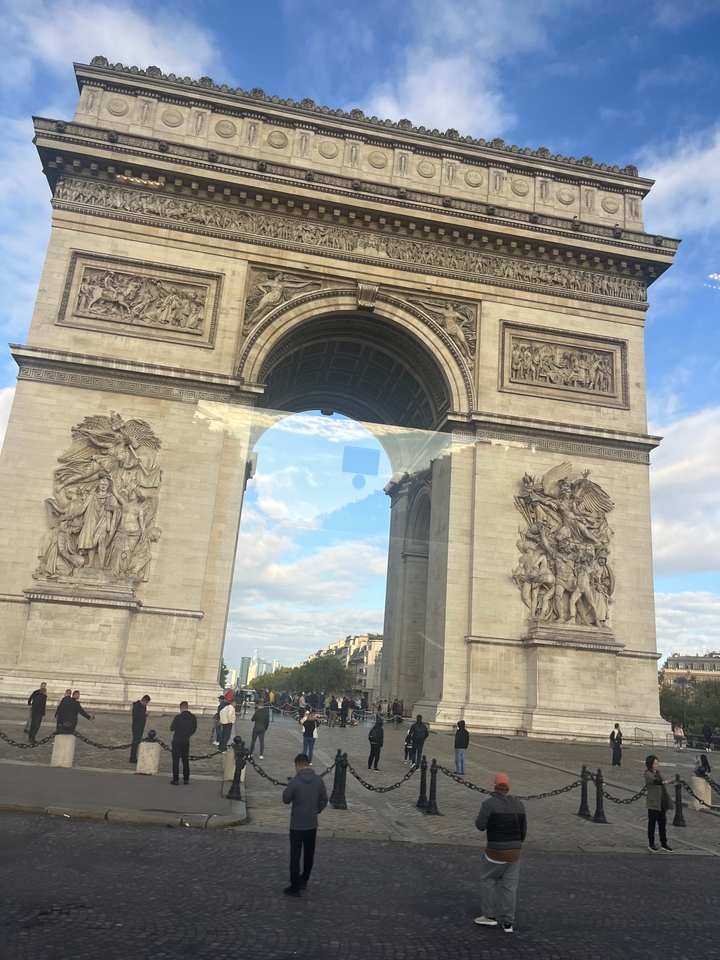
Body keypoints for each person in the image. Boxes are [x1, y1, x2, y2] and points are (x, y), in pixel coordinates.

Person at [474, 773, 527, 934]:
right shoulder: (519, 805)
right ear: (508, 787)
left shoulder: (489, 804)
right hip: (514, 852)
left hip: (495, 851)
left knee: (488, 880)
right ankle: (508, 923)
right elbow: (523, 830)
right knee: (510, 887)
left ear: (495, 787)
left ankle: (489, 916)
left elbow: (480, 825)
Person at [282, 753, 328, 896]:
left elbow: (286, 799)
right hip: (312, 822)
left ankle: (294, 886)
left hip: (296, 823)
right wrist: (315, 811)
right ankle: (304, 879)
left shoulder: (295, 782)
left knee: (295, 855)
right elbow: (324, 799)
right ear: (308, 764)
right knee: (309, 853)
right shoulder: (318, 780)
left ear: (297, 766)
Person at [645, 755, 673, 852]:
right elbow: (654, 782)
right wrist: (663, 782)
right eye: (655, 763)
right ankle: (651, 843)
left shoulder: (658, 773)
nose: (657, 765)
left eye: (657, 763)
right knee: (652, 823)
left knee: (662, 823)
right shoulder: (648, 773)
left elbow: (659, 781)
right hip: (653, 802)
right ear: (650, 764)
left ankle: (664, 843)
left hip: (661, 802)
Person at [169, 701, 197, 785]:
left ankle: (176, 779)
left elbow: (172, 728)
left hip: (177, 740)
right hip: (186, 740)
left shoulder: (178, 717)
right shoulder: (193, 717)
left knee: (176, 760)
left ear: (181, 708)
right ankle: (186, 779)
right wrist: (188, 734)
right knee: (185, 760)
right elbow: (194, 729)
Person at [129, 695, 150, 763]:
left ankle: (134, 756)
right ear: (144, 701)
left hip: (141, 726)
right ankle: (132, 757)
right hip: (136, 726)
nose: (146, 704)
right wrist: (144, 714)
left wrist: (145, 715)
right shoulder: (136, 706)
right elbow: (136, 716)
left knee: (137, 742)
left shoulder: (143, 706)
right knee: (135, 742)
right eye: (146, 703)